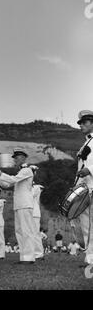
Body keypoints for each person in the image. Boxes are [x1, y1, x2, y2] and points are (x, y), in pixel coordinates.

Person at [0, 147, 37, 264]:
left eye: (16, 158)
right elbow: (8, 185)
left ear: (23, 158)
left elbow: (12, 180)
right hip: (19, 205)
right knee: (20, 231)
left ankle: (29, 257)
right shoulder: (21, 171)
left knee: (26, 231)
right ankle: (24, 257)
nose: (15, 160)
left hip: (25, 204)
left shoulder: (27, 170)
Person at [75, 110, 93, 266]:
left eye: (84, 123)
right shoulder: (85, 144)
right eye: (80, 123)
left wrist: (90, 169)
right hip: (83, 188)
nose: (81, 125)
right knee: (86, 225)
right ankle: (90, 258)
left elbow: (88, 167)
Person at [32, 183, 45, 260]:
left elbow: (41, 187)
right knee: (31, 234)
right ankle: (34, 253)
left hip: (34, 213)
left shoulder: (36, 188)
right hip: (30, 212)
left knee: (36, 233)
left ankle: (39, 253)